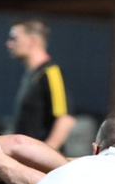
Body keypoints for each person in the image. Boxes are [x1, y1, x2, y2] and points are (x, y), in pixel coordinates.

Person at [7, 19, 75, 153]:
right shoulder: (31, 75)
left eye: (15, 38)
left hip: (42, 168)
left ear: (33, 41)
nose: (9, 43)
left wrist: (44, 154)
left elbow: (65, 118)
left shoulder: (51, 72)